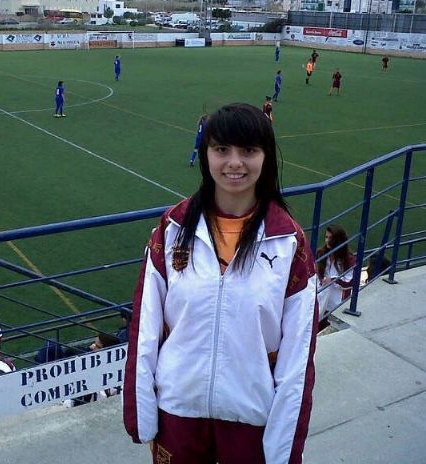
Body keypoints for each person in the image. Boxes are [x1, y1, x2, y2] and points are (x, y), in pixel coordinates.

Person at [123, 103, 318, 464]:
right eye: (222, 149)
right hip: (178, 412)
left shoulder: (289, 242)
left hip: (250, 418)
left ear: (266, 157)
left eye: (248, 150)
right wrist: (142, 412)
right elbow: (145, 327)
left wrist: (285, 445)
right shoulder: (172, 229)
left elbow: (298, 355)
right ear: (206, 154)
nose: (234, 163)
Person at [316, 224, 356, 323]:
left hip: (337, 304)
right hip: (320, 301)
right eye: (326, 237)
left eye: (331, 238)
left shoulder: (349, 260)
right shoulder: (321, 253)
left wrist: (333, 280)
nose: (327, 241)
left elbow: (351, 283)